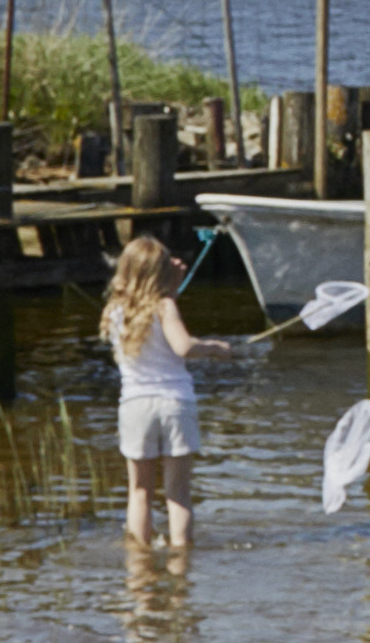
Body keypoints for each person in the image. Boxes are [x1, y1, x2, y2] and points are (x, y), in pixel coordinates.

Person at [94, 233, 262, 560]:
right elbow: (183, 346)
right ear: (162, 276)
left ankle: (141, 565)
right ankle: (180, 561)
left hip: (136, 406)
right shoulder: (165, 305)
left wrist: (172, 283)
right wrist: (216, 349)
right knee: (178, 493)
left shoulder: (115, 310)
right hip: (174, 403)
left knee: (139, 492)